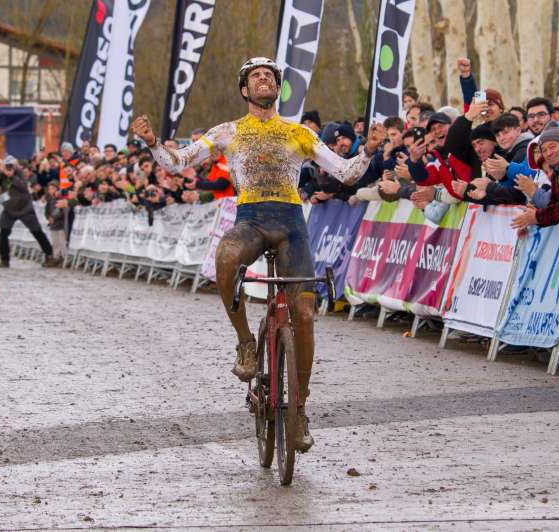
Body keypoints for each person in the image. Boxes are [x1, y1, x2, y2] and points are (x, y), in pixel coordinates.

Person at [131, 57, 385, 452]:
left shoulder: (299, 133)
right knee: (225, 257)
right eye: (256, 76)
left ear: (277, 89)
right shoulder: (227, 131)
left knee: (304, 315)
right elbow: (178, 163)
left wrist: (368, 150)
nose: (263, 79)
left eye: (269, 76)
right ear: (245, 89)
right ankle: (246, 343)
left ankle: (299, 410)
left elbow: (346, 173)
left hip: (291, 225)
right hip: (250, 220)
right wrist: (152, 143)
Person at [0, 155, 61, 268]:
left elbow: (23, 187)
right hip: (9, 209)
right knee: (3, 233)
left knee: (37, 231)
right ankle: (4, 260)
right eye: (7, 166)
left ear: (15, 166)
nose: (9, 168)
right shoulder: (1, 175)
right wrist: (0, 173)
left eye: (11, 166)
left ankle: (50, 255)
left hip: (25, 208)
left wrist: (12, 176)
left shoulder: (20, 173)